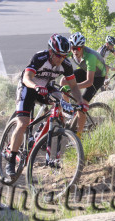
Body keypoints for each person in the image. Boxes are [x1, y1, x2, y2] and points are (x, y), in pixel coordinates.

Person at [6, 34, 86, 177]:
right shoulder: (40, 57)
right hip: (29, 86)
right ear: (51, 51)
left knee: (60, 101)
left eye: (64, 56)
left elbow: (73, 86)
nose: (61, 59)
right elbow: (27, 77)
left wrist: (80, 102)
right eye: (58, 55)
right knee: (23, 123)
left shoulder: (66, 64)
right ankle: (11, 159)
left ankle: (41, 134)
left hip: (46, 87)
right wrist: (35, 86)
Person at [59, 32, 106, 139]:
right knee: (63, 81)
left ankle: (78, 136)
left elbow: (89, 82)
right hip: (86, 70)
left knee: (82, 105)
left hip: (98, 77)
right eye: (73, 48)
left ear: (83, 47)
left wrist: (73, 88)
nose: (75, 51)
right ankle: (69, 113)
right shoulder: (71, 51)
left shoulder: (90, 56)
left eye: (78, 48)